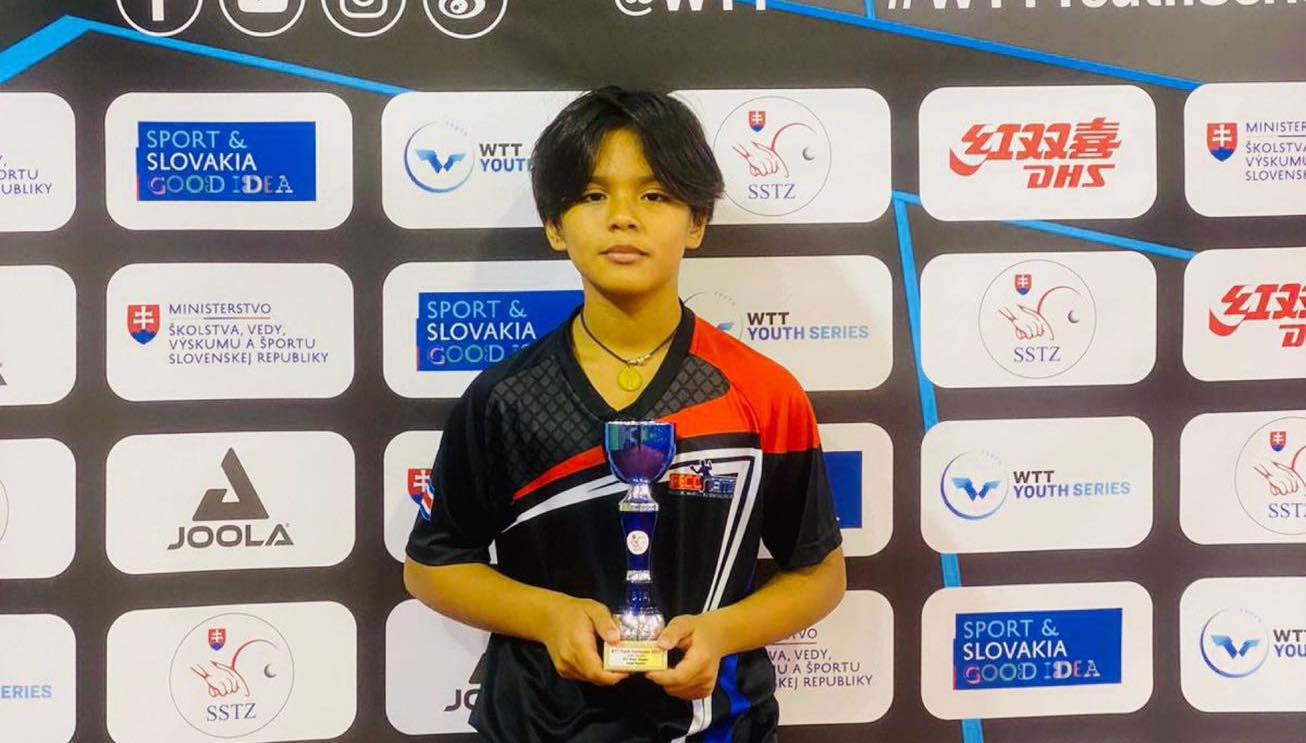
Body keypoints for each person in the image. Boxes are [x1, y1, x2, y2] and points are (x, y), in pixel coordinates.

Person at [404, 86, 846, 742]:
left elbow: (819, 572)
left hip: (716, 726)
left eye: (655, 195)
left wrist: (722, 631)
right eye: (592, 195)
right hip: (537, 725)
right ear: (555, 225)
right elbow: (432, 565)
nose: (622, 218)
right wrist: (548, 616)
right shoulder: (503, 397)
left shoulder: (764, 391)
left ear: (696, 221)